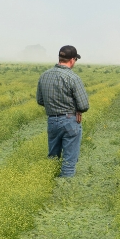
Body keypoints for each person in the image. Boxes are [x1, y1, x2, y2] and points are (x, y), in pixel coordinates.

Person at [36, 45, 89, 178]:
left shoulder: (44, 76)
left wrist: (54, 107)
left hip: (52, 121)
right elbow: (83, 105)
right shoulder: (73, 78)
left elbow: (40, 100)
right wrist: (76, 110)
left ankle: (50, 185)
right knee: (69, 162)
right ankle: (64, 191)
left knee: (53, 158)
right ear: (72, 60)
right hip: (70, 121)